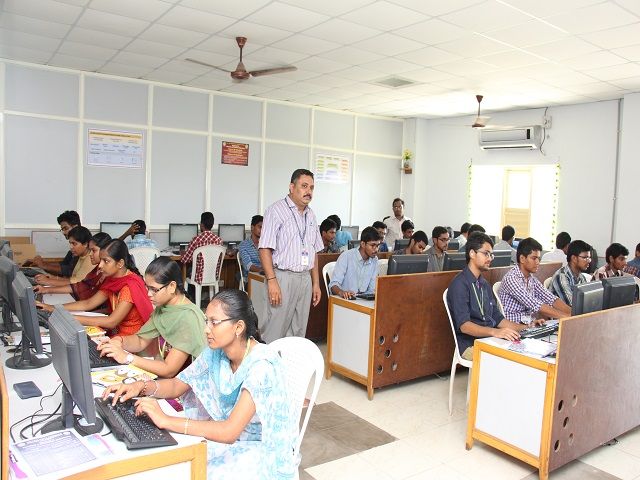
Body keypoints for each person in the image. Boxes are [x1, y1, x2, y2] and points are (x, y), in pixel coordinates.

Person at [101, 290, 298, 480]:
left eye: (214, 322)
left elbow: (229, 432)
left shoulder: (261, 367)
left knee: (188, 468)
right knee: (171, 461)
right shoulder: (217, 352)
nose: (206, 329)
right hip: (226, 435)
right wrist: (142, 386)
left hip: (260, 448)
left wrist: (166, 420)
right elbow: (179, 384)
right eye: (206, 321)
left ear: (238, 327)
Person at [97, 257, 206, 377]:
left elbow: (169, 370)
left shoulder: (188, 317)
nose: (149, 294)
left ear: (172, 286)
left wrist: (127, 357)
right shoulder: (164, 308)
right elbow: (141, 340)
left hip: (184, 386)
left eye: (154, 289)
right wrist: (119, 341)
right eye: (147, 288)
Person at [447, 233, 538, 360]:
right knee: (513, 358)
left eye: (491, 254)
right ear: (472, 254)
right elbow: (465, 326)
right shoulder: (459, 284)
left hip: (490, 339)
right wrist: (495, 332)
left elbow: (498, 319)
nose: (490, 258)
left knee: (525, 350)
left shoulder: (484, 284)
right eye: (486, 253)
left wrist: (527, 328)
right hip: (470, 345)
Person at [258, 169, 324, 343]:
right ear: (291, 187)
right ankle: (268, 367)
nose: (308, 191)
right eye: (304, 186)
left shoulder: (311, 215)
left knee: (298, 332)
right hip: (281, 277)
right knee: (275, 329)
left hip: (304, 279)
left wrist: (316, 283)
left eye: (311, 187)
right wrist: (272, 281)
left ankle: (289, 369)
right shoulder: (276, 211)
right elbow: (264, 248)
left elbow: (314, 251)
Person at [37, 240, 153, 337]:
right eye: (101, 260)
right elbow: (88, 304)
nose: (100, 265)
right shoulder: (113, 279)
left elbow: (111, 321)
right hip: (117, 334)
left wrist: (65, 317)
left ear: (120, 263)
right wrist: (53, 308)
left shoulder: (128, 286)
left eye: (106, 261)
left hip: (131, 338)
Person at [498, 237, 571, 323]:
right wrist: (566, 317)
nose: (537, 262)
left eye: (538, 259)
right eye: (534, 258)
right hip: (513, 328)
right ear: (522, 258)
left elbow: (551, 299)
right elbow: (535, 304)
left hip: (529, 326)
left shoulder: (531, 279)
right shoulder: (512, 278)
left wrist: (573, 314)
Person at [34, 232, 112, 301]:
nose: (91, 254)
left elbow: (88, 303)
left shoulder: (105, 273)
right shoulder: (96, 269)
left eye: (94, 251)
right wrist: (46, 289)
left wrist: (49, 283)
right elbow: (78, 286)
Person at [328, 227, 380, 299]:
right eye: (372, 245)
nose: (376, 249)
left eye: (377, 245)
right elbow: (333, 285)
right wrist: (342, 292)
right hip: (344, 300)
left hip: (363, 301)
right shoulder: (346, 256)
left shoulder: (375, 260)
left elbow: (372, 289)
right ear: (363, 244)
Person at [26, 210, 81, 276]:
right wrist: (40, 263)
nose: (63, 232)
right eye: (62, 229)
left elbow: (70, 271)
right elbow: (63, 264)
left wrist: (43, 265)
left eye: (65, 228)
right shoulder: (72, 249)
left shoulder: (85, 246)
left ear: (75, 227)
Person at [181, 212, 223, 285]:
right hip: (214, 277)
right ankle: (205, 293)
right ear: (212, 225)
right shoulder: (219, 240)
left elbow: (185, 260)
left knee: (189, 270)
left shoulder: (196, 239)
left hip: (199, 278)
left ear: (202, 225)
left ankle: (193, 295)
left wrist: (183, 253)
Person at [549, 240, 592, 306]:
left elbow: (587, 299)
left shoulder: (581, 277)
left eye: (589, 257)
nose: (589, 261)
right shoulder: (561, 276)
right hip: (562, 315)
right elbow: (572, 305)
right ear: (574, 258)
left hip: (575, 314)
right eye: (585, 257)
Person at [238, 215, 263, 285]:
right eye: (260, 227)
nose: (262, 230)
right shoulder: (244, 245)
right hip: (251, 279)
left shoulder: (265, 244)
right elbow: (248, 266)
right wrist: (263, 270)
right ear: (252, 227)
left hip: (265, 277)